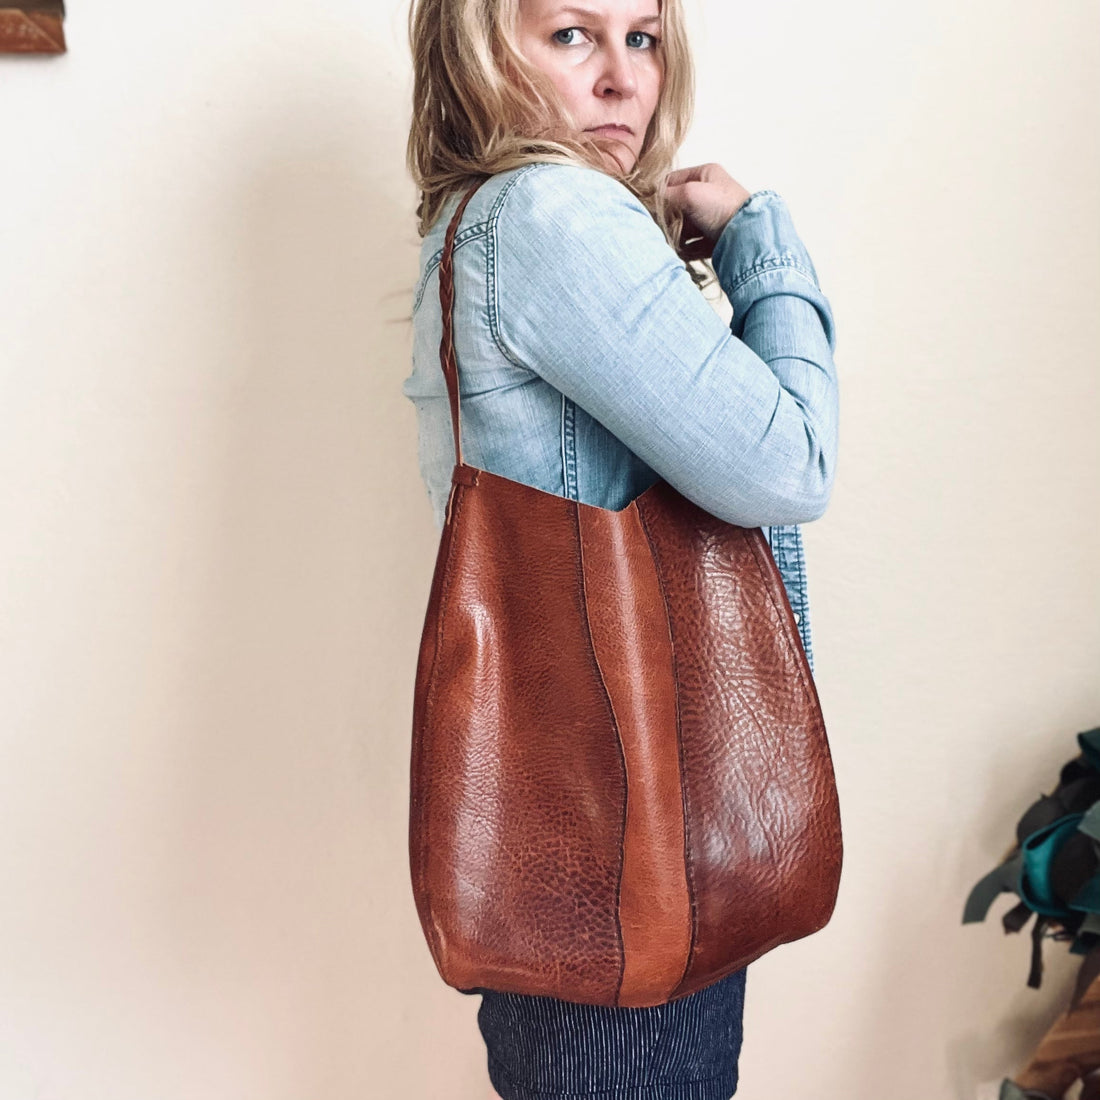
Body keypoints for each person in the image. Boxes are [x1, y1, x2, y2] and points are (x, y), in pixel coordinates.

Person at [400, 0, 839, 1095]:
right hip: (629, 862)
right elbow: (788, 463)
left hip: (581, 866)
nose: (621, 80)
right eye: (570, 34)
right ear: (476, 47)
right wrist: (759, 241)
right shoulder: (550, 214)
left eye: (639, 37)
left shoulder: (476, 222)